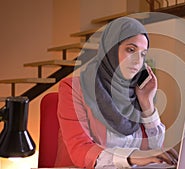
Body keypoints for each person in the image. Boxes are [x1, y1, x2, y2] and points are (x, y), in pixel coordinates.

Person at [54, 17, 177, 168]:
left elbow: (154, 149)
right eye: (131, 50)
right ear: (110, 49)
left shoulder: (137, 90)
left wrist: (147, 103)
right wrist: (132, 157)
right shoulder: (74, 88)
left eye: (143, 54)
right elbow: (80, 150)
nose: (138, 60)